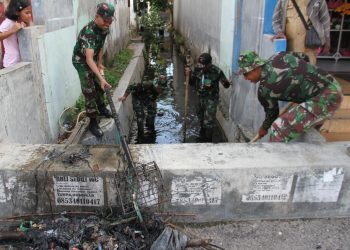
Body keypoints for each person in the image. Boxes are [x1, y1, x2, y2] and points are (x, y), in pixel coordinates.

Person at [238, 50, 343, 143]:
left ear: (256, 68)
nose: (246, 78)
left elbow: (272, 115)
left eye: (246, 74)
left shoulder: (265, 90)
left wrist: (263, 129)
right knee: (304, 121)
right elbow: (304, 57)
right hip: (332, 82)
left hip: (328, 97)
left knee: (278, 129)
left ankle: (273, 162)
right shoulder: (278, 55)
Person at [72, 2, 115, 137]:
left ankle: (101, 108)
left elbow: (100, 47)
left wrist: (100, 64)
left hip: (92, 59)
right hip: (81, 62)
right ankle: (92, 121)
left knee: (98, 86)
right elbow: (89, 59)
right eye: (105, 21)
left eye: (110, 21)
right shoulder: (88, 32)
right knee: (89, 89)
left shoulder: (104, 28)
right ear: (97, 16)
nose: (108, 24)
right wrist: (101, 78)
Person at [188, 53, 231, 142]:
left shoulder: (217, 71)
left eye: (203, 65)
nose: (201, 67)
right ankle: (202, 135)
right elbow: (191, 83)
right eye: (200, 64)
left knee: (209, 121)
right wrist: (189, 75)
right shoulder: (197, 69)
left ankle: (208, 140)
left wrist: (227, 82)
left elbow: (226, 85)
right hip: (200, 98)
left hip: (211, 99)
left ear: (209, 64)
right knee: (200, 116)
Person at [272, 0, 330, 65]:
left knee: (309, 70)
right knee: (291, 70)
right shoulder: (283, 1)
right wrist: (279, 32)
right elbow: (275, 20)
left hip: (309, 44)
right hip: (289, 46)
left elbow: (325, 20)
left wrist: (327, 41)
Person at [0, 0, 32, 68]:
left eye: (30, 13)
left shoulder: (21, 22)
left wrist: (27, 24)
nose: (30, 15)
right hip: (11, 63)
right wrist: (12, 31)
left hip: (22, 61)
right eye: (27, 13)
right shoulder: (8, 22)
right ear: (17, 12)